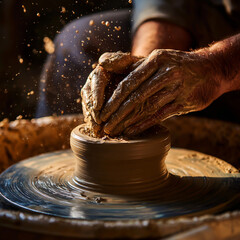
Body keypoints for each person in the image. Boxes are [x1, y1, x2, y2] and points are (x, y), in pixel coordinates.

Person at [37, 0, 240, 136]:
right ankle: (57, 157)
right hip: (215, 11)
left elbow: (220, 63)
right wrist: (145, 65)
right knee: (77, 43)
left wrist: (218, 66)